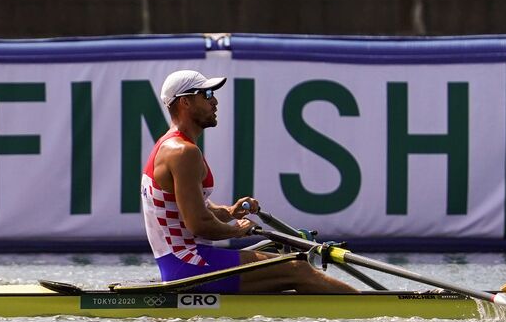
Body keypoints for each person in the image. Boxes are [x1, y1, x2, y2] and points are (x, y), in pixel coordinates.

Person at [141, 70, 357, 294]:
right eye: (206, 94)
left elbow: (197, 209)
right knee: (298, 268)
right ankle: (367, 316)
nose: (214, 101)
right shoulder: (183, 152)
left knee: (283, 266)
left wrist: (231, 212)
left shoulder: (170, 146)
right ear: (185, 102)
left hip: (184, 263)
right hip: (191, 265)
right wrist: (237, 231)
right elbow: (199, 224)